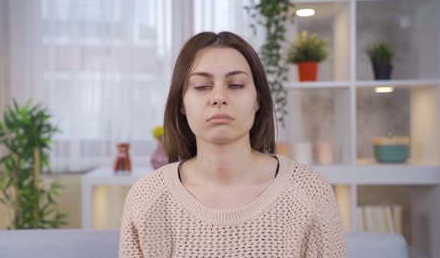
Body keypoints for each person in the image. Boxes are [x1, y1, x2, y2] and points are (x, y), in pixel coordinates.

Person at [119, 31, 347, 257]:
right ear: (181, 103)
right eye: (201, 86)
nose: (219, 97)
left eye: (236, 85)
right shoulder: (147, 199)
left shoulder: (310, 194)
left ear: (258, 99)